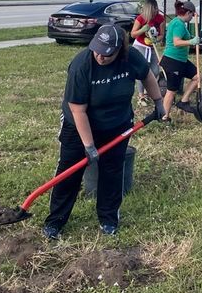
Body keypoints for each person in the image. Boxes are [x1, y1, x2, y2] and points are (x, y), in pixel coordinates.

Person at [43, 25, 164, 239]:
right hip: (78, 125)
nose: (100, 56)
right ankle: (55, 221)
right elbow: (77, 109)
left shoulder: (131, 57)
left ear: (119, 49)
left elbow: (147, 76)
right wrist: (89, 147)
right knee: (69, 171)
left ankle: (108, 218)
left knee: (112, 170)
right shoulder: (81, 66)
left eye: (107, 52)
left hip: (117, 124)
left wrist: (158, 102)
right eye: (97, 49)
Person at [160, 1, 201, 120]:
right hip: (173, 61)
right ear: (187, 12)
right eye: (192, 15)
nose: (192, 17)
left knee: (197, 76)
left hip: (181, 60)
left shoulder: (179, 23)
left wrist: (194, 39)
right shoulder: (178, 24)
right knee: (171, 91)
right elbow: (176, 42)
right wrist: (191, 42)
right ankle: (164, 117)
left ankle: (183, 101)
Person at [130, 0, 165, 105]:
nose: (155, 11)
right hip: (140, 46)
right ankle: (141, 96)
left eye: (156, 9)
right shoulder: (141, 18)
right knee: (142, 71)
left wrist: (156, 39)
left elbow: (162, 35)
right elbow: (133, 34)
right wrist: (142, 30)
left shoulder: (160, 18)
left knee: (154, 70)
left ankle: (147, 90)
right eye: (153, 9)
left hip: (152, 47)